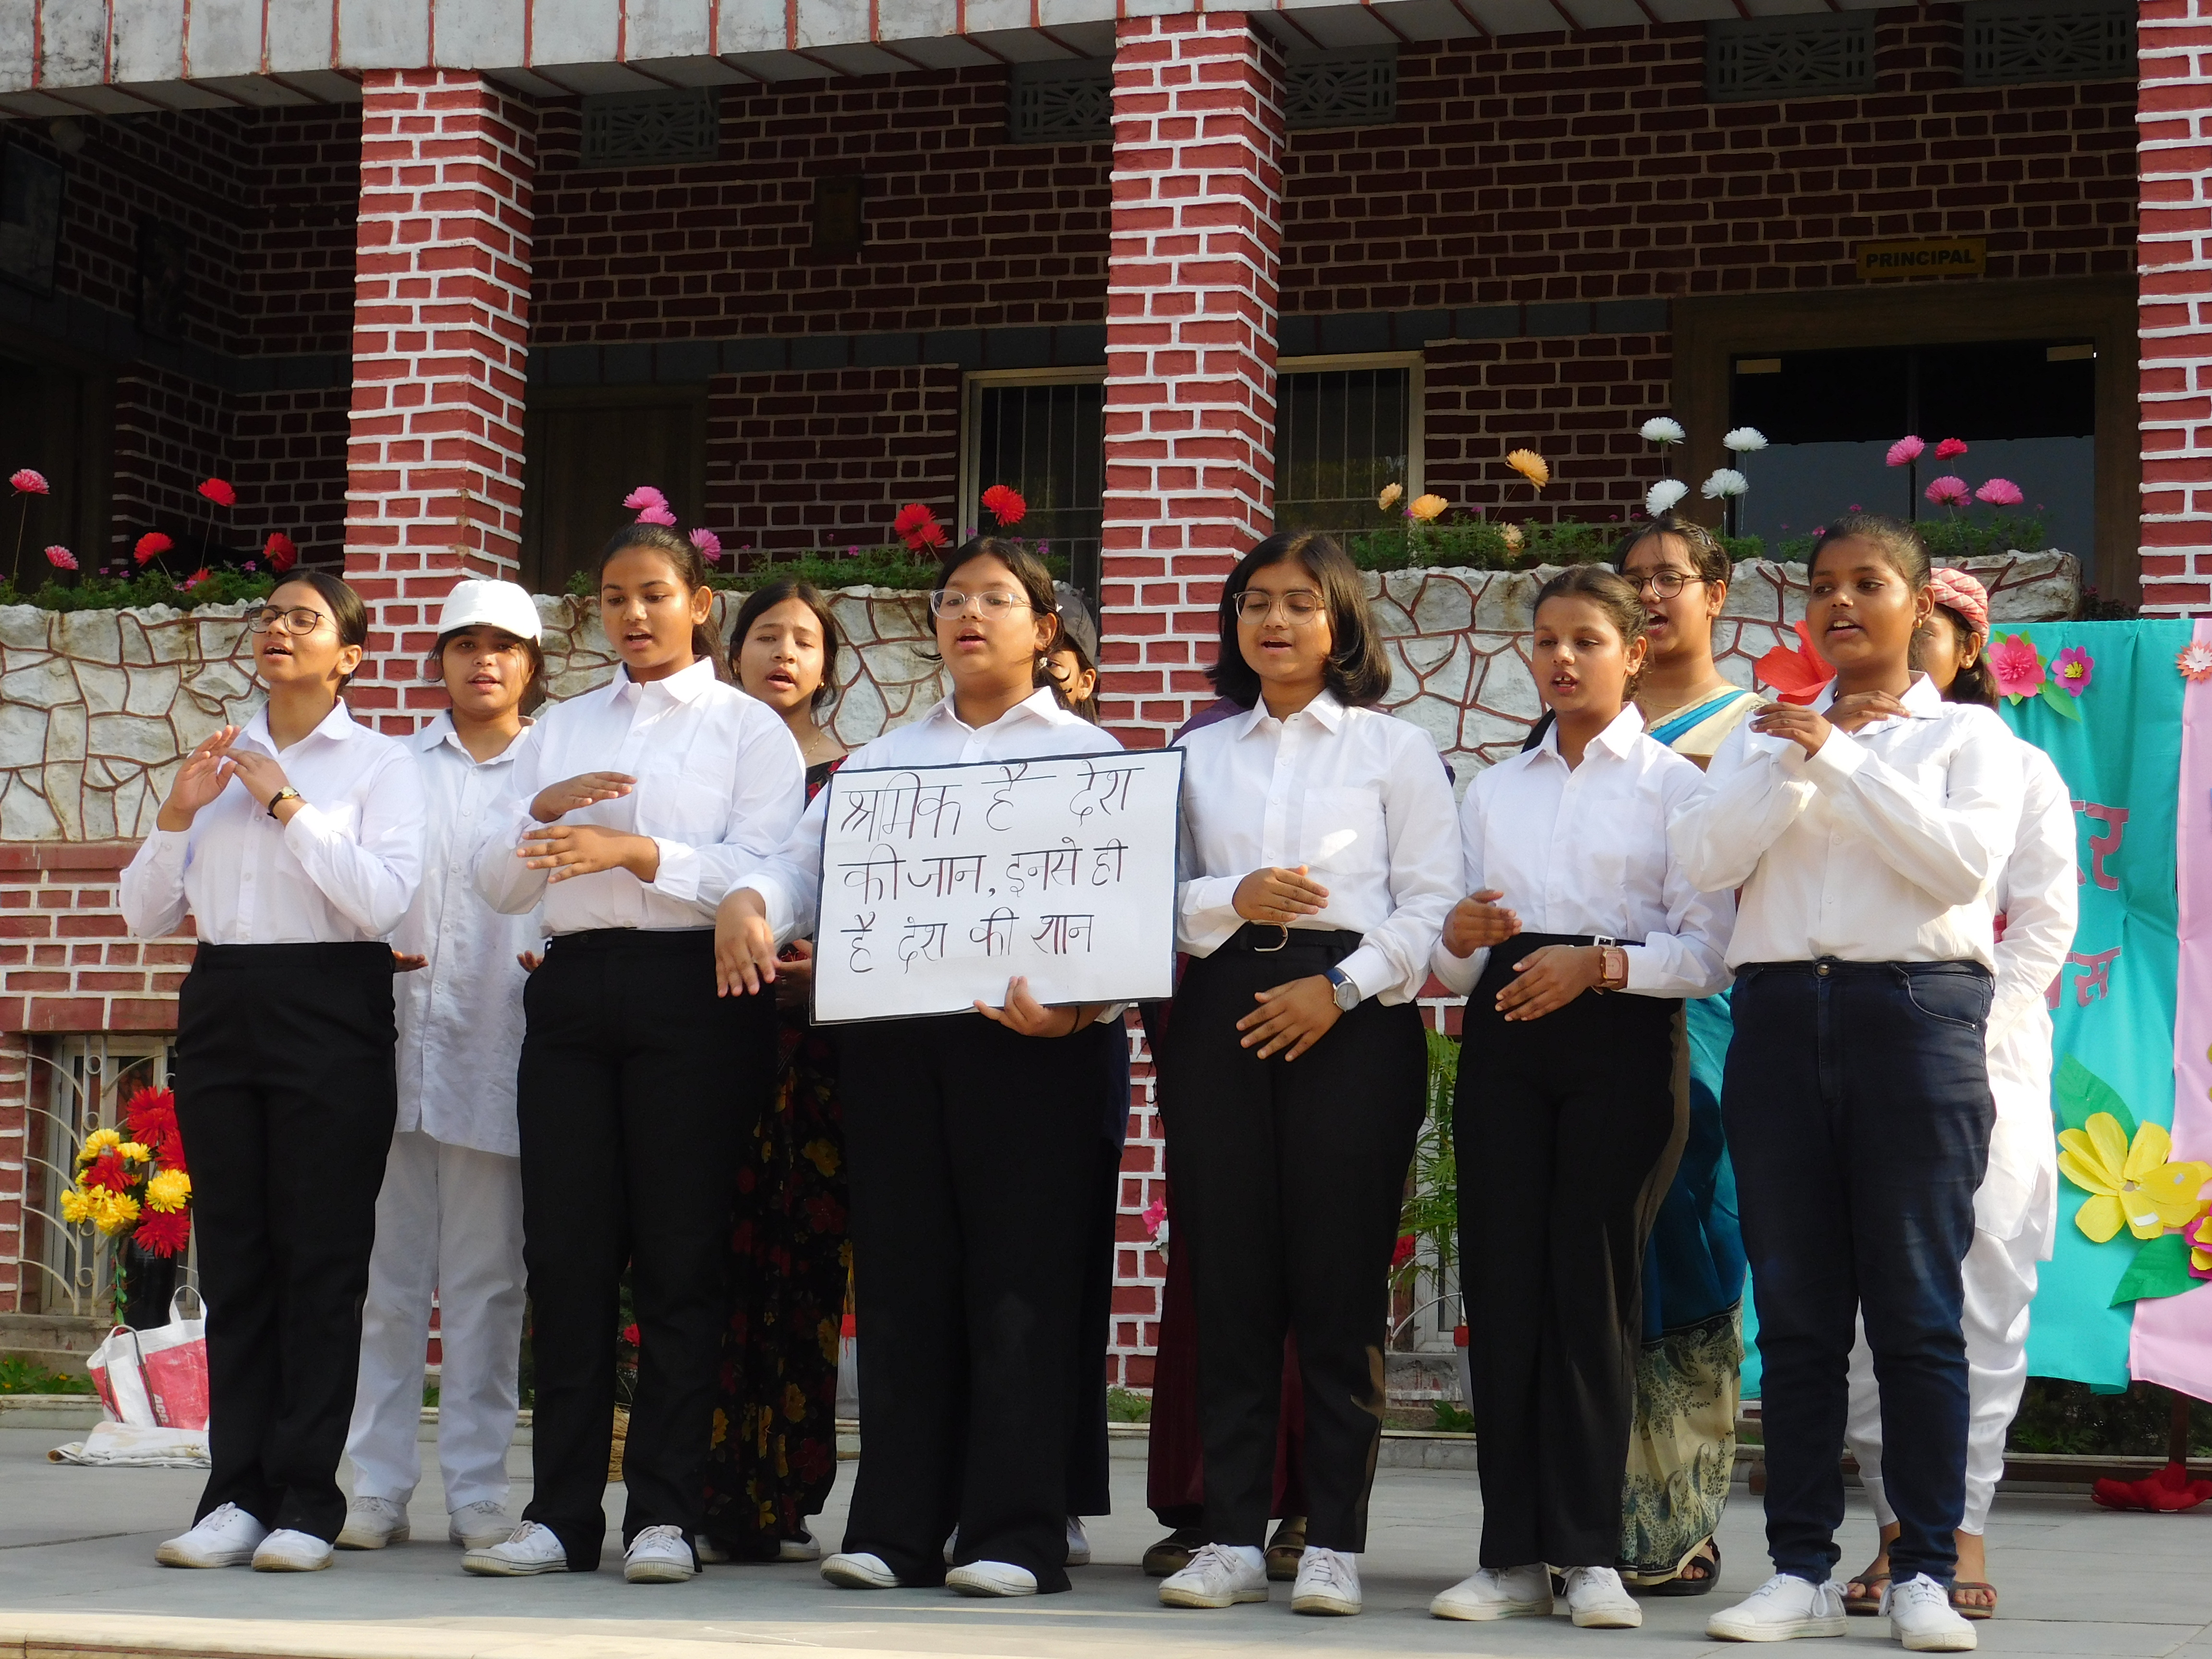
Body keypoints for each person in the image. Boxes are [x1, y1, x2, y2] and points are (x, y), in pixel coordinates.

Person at [716, 537, 1127, 1599]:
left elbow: (1136, 914)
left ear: (1045, 630)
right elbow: (799, 866)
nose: (969, 615)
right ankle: (896, 1529)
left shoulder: (1096, 759)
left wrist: (1084, 1008)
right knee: (903, 1282)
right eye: (952, 600)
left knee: (1024, 1289)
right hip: (897, 1047)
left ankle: (1015, 1535)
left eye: (996, 599)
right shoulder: (887, 762)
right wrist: (753, 901)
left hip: (1040, 1050)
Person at [1677, 515, 2022, 1654]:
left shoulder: (1970, 739)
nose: (1838, 603)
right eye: (1821, 585)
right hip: (1780, 1014)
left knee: (1919, 1313)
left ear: (1917, 606)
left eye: (1867, 583)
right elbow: (1707, 860)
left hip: (1915, 1016)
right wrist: (1795, 757)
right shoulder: (1761, 734)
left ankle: (1925, 1568)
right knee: (1798, 1317)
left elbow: (1960, 869)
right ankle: (1800, 1571)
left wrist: (1844, 758)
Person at [464, 523, 805, 1585]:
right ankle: (560, 1514)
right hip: (572, 990)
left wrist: (639, 851)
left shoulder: (749, 730)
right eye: (614, 597)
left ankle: (664, 1511)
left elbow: (770, 872)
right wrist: (536, 810)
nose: (634, 614)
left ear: (699, 603)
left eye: (654, 593)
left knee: (679, 1257)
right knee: (565, 1260)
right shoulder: (561, 727)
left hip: (696, 994)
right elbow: (498, 884)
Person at [1152, 530, 1458, 1619]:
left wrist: (1339, 988)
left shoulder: (1395, 750)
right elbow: (1153, 897)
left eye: (1298, 603)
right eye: (1254, 602)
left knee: (1339, 1288)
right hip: (1223, 1011)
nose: (1273, 621)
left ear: (1340, 623)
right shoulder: (1197, 754)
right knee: (1232, 1281)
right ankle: (1231, 1536)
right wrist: (1228, 899)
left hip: (1354, 1018)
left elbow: (1431, 904)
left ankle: (1332, 1540)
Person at [1427, 565, 1731, 1630]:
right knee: (1504, 1292)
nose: (1562, 659)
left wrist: (1598, 965)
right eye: (1547, 641)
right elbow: (1456, 962)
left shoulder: (1676, 787)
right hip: (1507, 1044)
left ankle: (1591, 1554)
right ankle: (1511, 1556)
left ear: (1634, 654)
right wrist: (1458, 937)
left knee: (1593, 1295)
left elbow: (1707, 953)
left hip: (1623, 1044)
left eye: (1587, 641)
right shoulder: (1492, 791)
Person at [122, 572, 426, 1572]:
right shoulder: (216, 761)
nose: (279, 630)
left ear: (350, 656)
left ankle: (305, 1500)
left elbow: (379, 901)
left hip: (331, 1006)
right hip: (223, 1002)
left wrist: (288, 805)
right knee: (238, 1262)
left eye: (306, 619)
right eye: (270, 617)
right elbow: (142, 916)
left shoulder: (382, 765)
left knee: (320, 1262)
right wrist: (178, 812)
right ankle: (233, 1496)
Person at [1839, 568, 2076, 1622]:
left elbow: (2044, 924)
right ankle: (1898, 1531)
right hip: (1856, 1051)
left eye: (1925, 632)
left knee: (1982, 1296)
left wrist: (1962, 1030)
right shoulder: (1832, 748)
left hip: (1985, 1057)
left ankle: (1962, 1526)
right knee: (1865, 1304)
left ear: (1967, 648)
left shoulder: (2018, 766)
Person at [339, 580, 547, 1557]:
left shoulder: (553, 766)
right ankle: (375, 1487)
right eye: (465, 645)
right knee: (384, 1286)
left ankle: (477, 1492)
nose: (484, 662)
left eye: (503, 646)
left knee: (487, 1287)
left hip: (499, 1048)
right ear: (440, 663)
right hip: (389, 1046)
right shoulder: (394, 767)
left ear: (531, 665)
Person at [1614, 517, 1763, 1595]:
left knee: (1695, 1242)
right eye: (1635, 581)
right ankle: (1588, 1504)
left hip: (1708, 1017)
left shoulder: (1757, 725)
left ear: (1717, 593)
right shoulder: (1583, 721)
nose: (1653, 597)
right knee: (1596, 1258)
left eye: (1672, 579)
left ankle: (1682, 1516)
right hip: (1585, 1026)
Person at [700, 579, 851, 1564]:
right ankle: (704, 1489)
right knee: (709, 1255)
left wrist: (824, 969)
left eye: (803, 640)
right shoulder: (705, 767)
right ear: (734, 652)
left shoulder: (862, 777)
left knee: (805, 1262)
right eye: (765, 636)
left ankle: (786, 1490)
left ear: (827, 666)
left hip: (822, 1049)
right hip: (708, 1034)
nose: (783, 654)